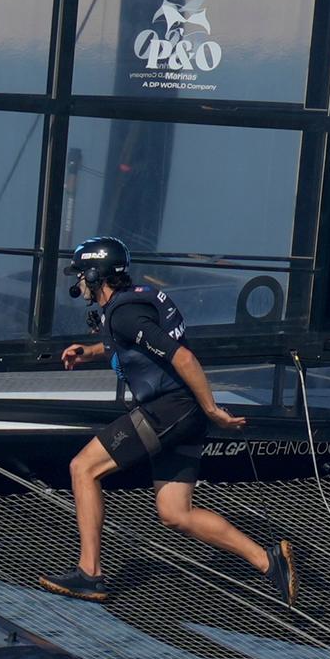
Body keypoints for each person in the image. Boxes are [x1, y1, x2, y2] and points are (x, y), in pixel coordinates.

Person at [38, 237, 293, 605]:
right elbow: (131, 343)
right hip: (181, 413)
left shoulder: (125, 313)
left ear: (95, 276)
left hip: (170, 409)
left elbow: (183, 358)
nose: (77, 284)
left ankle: (90, 573)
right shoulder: (136, 300)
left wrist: (211, 410)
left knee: (83, 468)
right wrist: (89, 351)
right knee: (176, 513)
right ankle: (268, 561)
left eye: (80, 275)